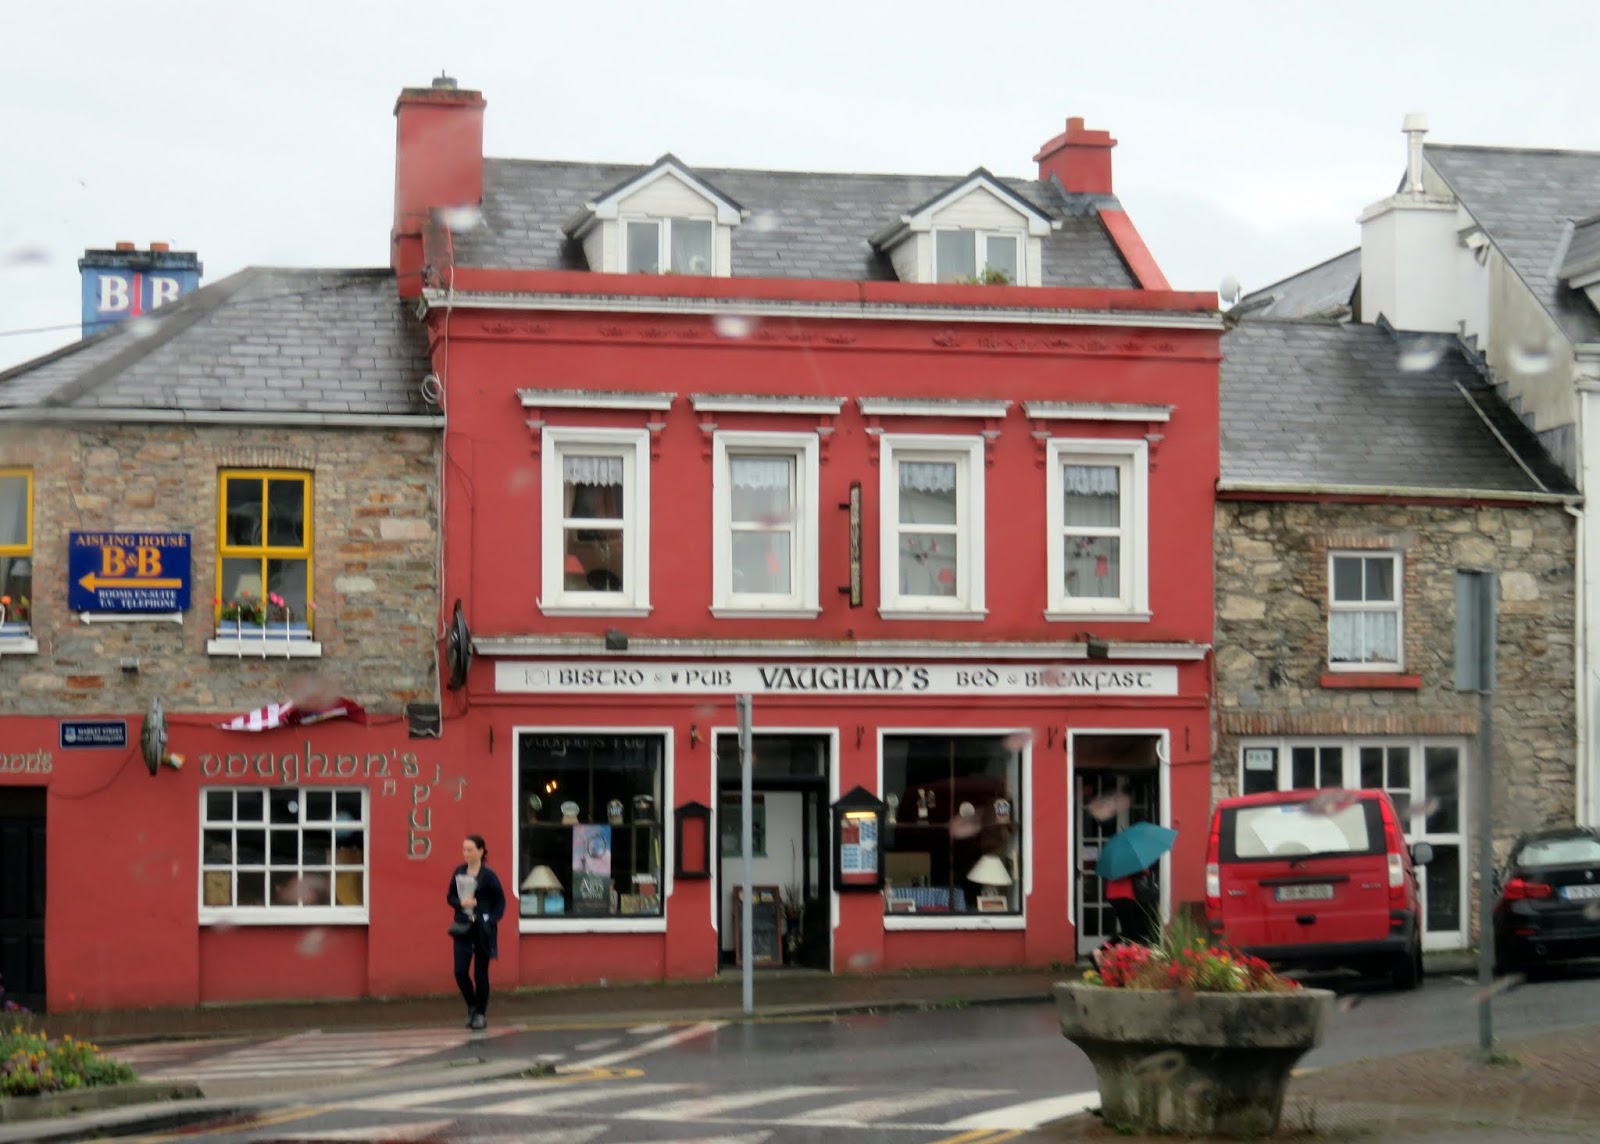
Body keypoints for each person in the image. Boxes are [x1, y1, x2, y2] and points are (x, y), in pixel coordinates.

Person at [447, 834, 506, 1030]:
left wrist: (489, 918)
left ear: (481, 851)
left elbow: (500, 901)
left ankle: (480, 1013)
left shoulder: (489, 876)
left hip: (482, 929)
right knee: (460, 972)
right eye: (464, 849)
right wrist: (460, 903)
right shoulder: (459, 871)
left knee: (481, 974)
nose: (466, 853)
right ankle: (472, 1005)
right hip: (463, 927)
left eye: (470, 849)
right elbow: (450, 897)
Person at [1104, 864, 1158, 946]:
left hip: (1113, 894)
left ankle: (1130, 953)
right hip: (1125, 896)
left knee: (1129, 931)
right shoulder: (1131, 861)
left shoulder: (1116, 861)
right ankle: (1100, 950)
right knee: (1128, 931)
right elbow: (1145, 872)